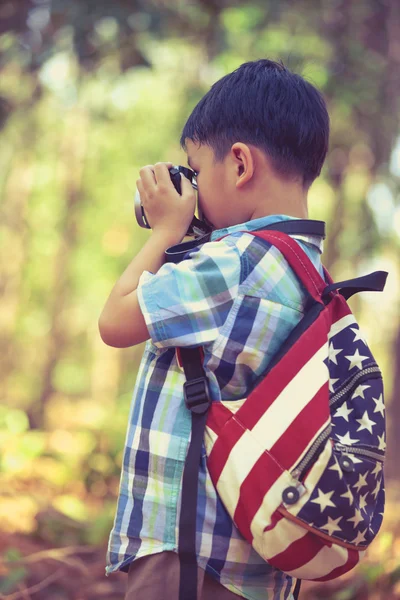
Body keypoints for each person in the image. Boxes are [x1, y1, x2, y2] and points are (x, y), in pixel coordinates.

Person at [98, 58, 330, 599]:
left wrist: (165, 231)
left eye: (196, 172)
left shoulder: (235, 263)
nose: (191, 190)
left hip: (188, 553)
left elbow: (114, 322)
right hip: (258, 557)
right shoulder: (312, 273)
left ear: (241, 164)